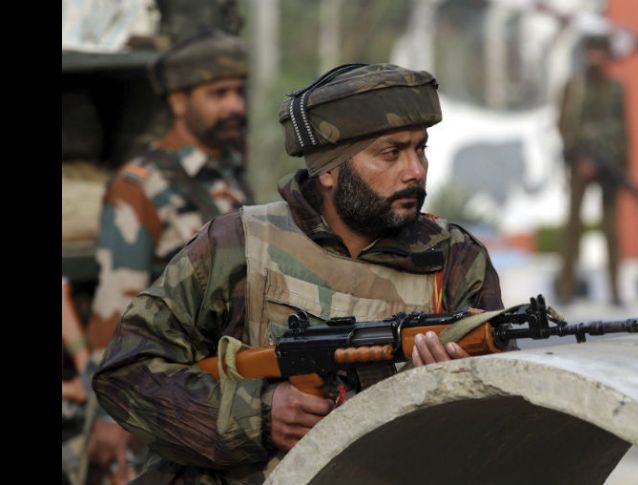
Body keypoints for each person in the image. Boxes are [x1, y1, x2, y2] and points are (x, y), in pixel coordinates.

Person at [93, 63, 503, 483]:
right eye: (391, 153)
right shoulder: (238, 244)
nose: (415, 170)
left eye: (420, 148)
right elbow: (128, 372)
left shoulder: (454, 261)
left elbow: (503, 434)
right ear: (328, 170)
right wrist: (260, 415)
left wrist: (449, 396)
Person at [84, 29, 255, 483]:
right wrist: (111, 414)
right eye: (218, 94)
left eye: (238, 92)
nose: (235, 106)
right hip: (161, 394)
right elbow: (117, 304)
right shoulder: (141, 183)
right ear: (179, 103)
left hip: (224, 397)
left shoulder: (231, 175)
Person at [557, 34, 630, 307]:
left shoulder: (615, 88)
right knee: (573, 227)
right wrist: (580, 159)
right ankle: (566, 288)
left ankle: (615, 291)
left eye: (600, 52)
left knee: (611, 230)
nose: (595, 58)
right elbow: (564, 125)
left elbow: (624, 131)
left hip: (609, 166)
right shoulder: (574, 87)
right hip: (580, 163)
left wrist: (624, 168)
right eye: (592, 52)